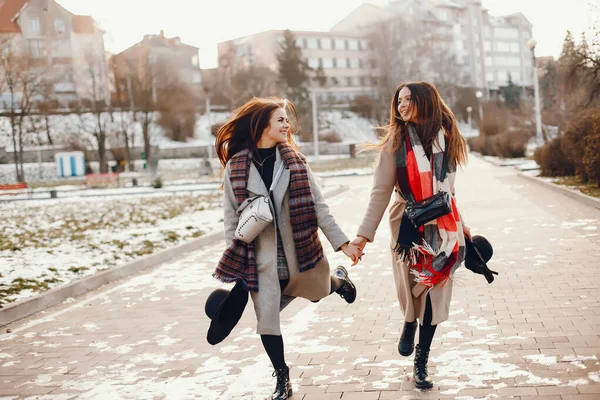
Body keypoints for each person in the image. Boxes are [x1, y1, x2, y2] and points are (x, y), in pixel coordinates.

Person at [213, 96, 362, 400]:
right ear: (262, 124)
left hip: (300, 250)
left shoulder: (295, 163)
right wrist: (237, 253)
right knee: (267, 318)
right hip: (261, 258)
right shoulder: (237, 167)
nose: (287, 125)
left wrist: (344, 244)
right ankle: (282, 377)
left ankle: (338, 281)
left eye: (286, 120)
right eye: (280, 119)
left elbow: (320, 208)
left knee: (318, 291)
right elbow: (231, 218)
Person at [350, 81, 470, 389]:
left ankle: (422, 360)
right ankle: (407, 320)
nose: (401, 105)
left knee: (434, 290)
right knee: (411, 286)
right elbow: (380, 191)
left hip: (443, 227)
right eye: (399, 100)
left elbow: (448, 190)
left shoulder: (446, 138)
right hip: (408, 224)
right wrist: (363, 236)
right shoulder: (396, 141)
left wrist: (463, 224)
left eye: (408, 99)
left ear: (424, 101)